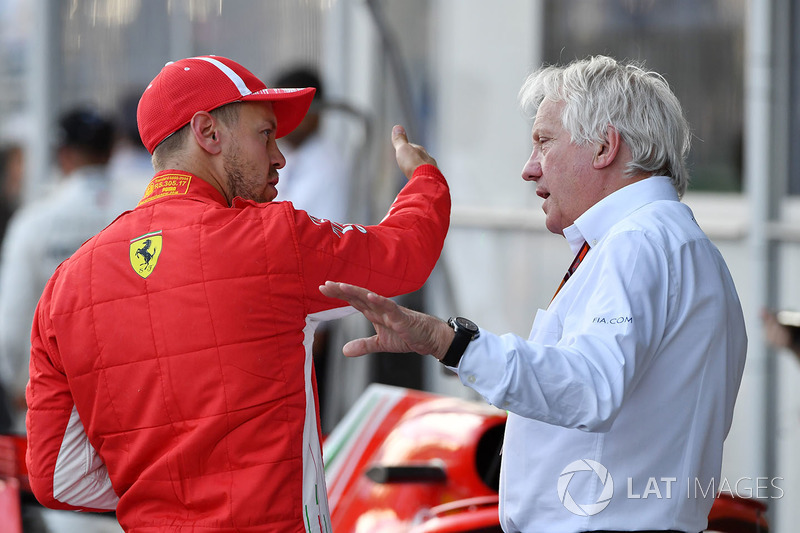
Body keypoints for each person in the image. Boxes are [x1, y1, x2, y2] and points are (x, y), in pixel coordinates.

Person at [320, 55, 747, 533]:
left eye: (543, 142)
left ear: (605, 147)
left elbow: (589, 388)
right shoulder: (672, 242)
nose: (528, 169)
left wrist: (448, 342)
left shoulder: (637, 242)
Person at [25, 55, 450, 532]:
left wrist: (163, 486)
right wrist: (424, 180)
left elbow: (55, 479)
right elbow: (406, 255)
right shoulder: (272, 238)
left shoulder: (65, 284)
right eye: (265, 134)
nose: (280, 157)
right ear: (208, 133)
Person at [0, 107, 117, 433]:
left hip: (52, 402)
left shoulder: (33, 222)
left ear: (62, 155)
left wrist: (17, 386)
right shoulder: (140, 205)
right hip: (129, 399)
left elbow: (12, 319)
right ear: (110, 152)